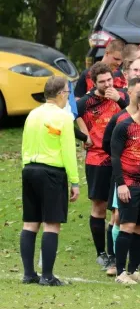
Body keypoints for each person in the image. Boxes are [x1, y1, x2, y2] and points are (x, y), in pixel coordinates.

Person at [20, 76, 80, 286]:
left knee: (30, 223)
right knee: (51, 224)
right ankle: (47, 275)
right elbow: (68, 151)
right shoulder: (63, 117)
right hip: (51, 172)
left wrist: (26, 168)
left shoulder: (32, 114)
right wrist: (74, 181)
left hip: (29, 169)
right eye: (67, 93)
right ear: (61, 94)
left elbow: (24, 144)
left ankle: (28, 274)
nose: (68, 97)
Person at [76, 63, 128, 269]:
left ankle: (116, 253)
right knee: (99, 206)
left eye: (110, 80)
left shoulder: (120, 96)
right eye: (103, 82)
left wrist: (119, 99)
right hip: (97, 159)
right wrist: (83, 132)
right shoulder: (86, 102)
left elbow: (136, 111)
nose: (107, 84)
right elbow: (68, 114)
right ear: (94, 82)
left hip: (120, 159)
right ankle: (101, 253)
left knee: (117, 208)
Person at [110, 89, 140, 284]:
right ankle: (120, 272)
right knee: (127, 226)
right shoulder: (124, 126)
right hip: (129, 184)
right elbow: (114, 157)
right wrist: (120, 184)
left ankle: (132, 270)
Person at [102, 78, 140, 276]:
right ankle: (115, 263)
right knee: (119, 217)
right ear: (129, 93)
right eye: (138, 93)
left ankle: (135, 267)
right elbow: (108, 146)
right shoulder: (121, 120)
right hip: (123, 178)